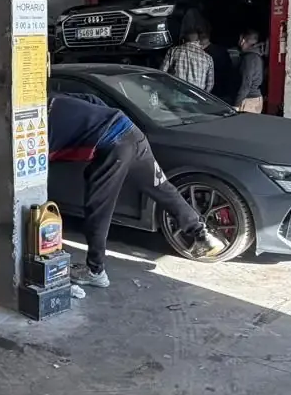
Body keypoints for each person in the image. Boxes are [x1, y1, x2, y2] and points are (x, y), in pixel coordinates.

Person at [48, 92, 225, 288]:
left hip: (112, 144)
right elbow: (92, 99)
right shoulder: (56, 98)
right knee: (161, 187)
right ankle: (202, 234)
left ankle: (95, 271)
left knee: (98, 209)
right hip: (131, 131)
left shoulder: (40, 121)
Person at [162, 13, 212, 93]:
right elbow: (210, 84)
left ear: (183, 40)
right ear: (198, 41)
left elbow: (162, 73)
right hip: (197, 99)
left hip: (175, 94)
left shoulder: (173, 51)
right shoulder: (208, 58)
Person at [233, 29, 265, 113]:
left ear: (242, 40)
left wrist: (236, 105)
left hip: (248, 101)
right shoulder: (257, 56)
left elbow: (245, 84)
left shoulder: (248, 58)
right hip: (255, 99)